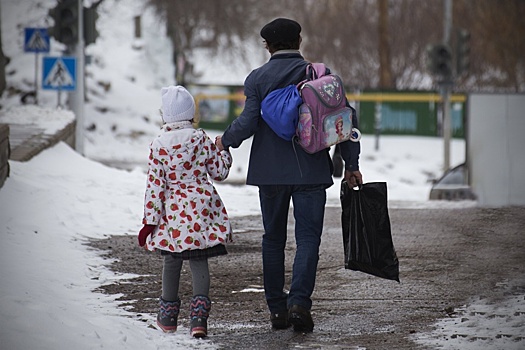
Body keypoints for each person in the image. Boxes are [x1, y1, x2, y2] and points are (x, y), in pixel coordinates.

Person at [215, 18, 362, 333]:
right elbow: (346, 119)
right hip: (311, 170)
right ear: (299, 40)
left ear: (267, 45)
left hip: (269, 173)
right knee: (308, 238)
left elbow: (249, 121)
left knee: (273, 239)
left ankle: (277, 311)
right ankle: (299, 304)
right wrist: (351, 164)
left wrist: (224, 140)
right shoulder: (320, 75)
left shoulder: (257, 78)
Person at [137, 85, 233, 338]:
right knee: (199, 258)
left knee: (171, 259)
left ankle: (168, 318)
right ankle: (199, 320)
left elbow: (155, 187)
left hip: (173, 213)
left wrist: (149, 222)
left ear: (165, 116)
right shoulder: (200, 139)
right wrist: (224, 153)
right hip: (201, 208)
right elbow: (219, 172)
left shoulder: (158, 145)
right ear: (191, 114)